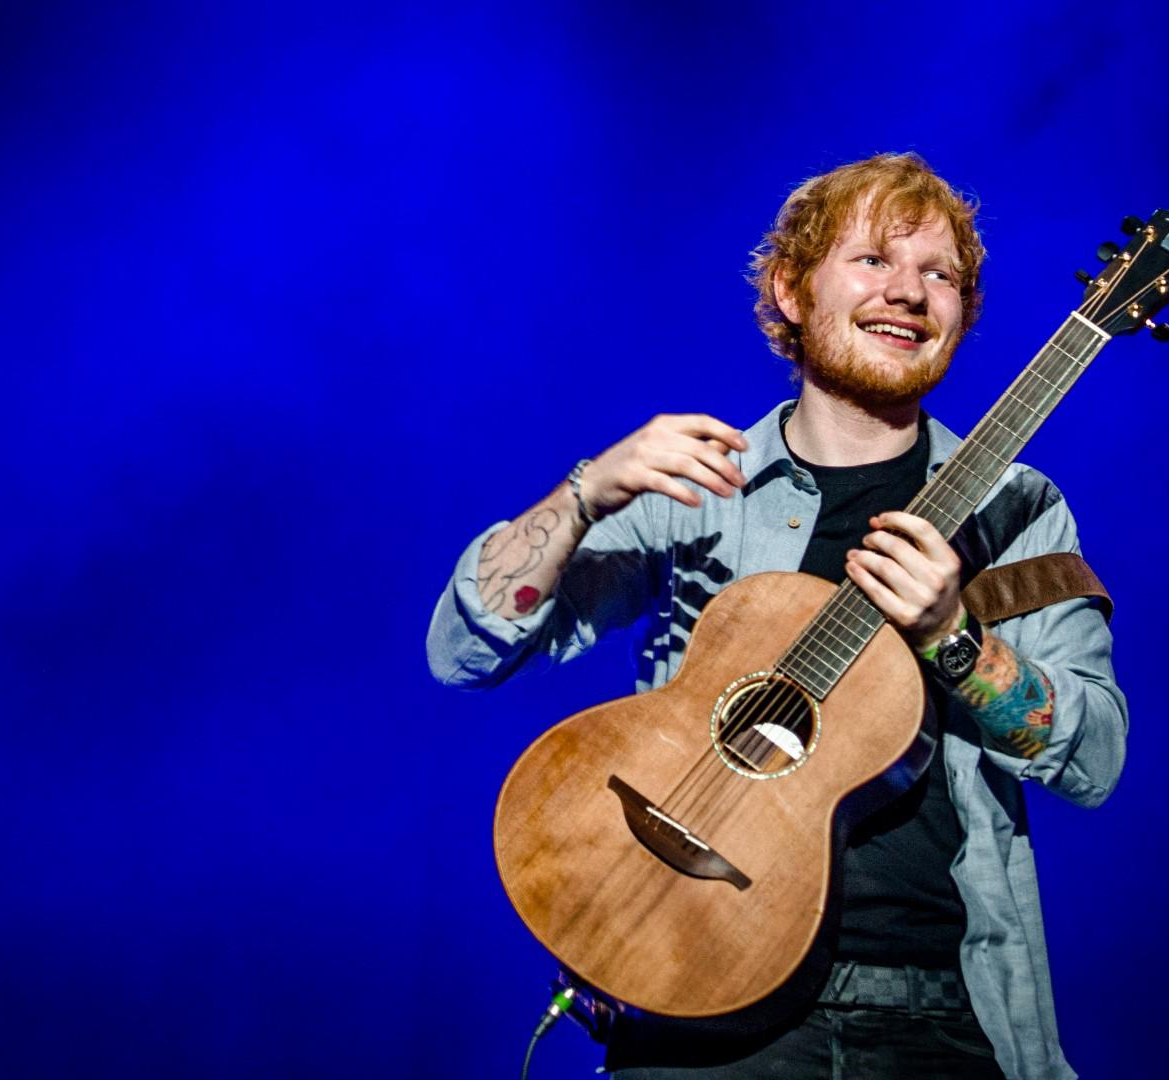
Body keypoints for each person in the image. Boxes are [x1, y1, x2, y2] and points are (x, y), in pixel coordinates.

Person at [425, 153, 1125, 1079]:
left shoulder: (1020, 509)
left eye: (940, 274)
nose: (909, 293)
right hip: (697, 996)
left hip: (937, 1014)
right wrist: (587, 492)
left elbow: (1097, 761)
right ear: (791, 289)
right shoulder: (703, 483)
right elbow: (460, 651)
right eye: (874, 260)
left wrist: (956, 641)